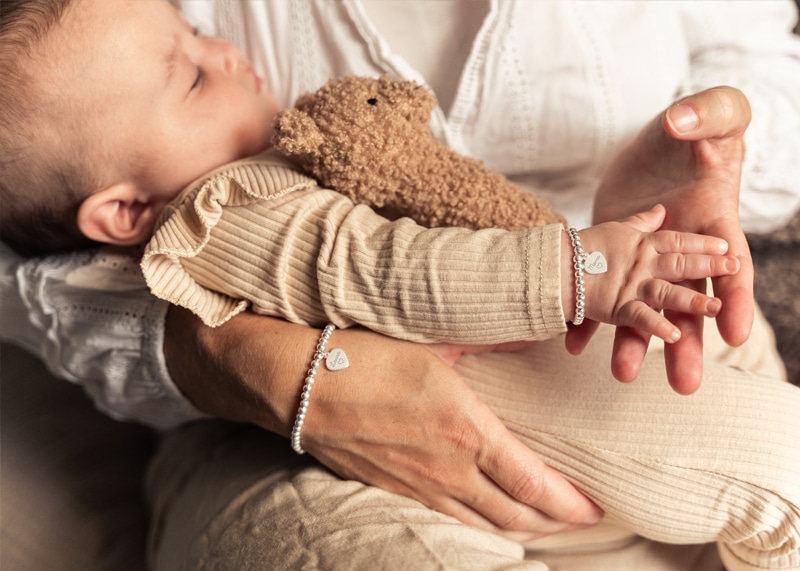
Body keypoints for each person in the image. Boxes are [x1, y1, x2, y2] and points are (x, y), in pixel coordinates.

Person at [1, 1, 799, 569]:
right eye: (192, 81)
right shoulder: (233, 207)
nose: (226, 56)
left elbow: (769, 87)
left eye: (201, 35)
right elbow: (391, 269)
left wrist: (679, 177)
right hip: (261, 438)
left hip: (614, 325)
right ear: (125, 209)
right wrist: (579, 265)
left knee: (759, 460)